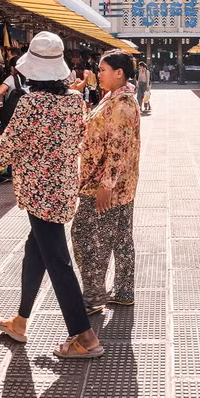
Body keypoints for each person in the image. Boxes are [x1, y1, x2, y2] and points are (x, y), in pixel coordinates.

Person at [0, 31, 103, 359]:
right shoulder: (74, 101)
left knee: (57, 261)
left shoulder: (30, 103)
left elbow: (11, 142)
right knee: (35, 251)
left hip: (39, 192)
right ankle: (20, 321)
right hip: (63, 188)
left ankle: (84, 336)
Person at [73, 50, 141, 314]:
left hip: (106, 185)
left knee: (86, 237)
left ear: (119, 73)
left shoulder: (122, 104)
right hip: (122, 185)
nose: (98, 74)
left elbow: (117, 148)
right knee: (121, 238)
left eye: (102, 70)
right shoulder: (114, 98)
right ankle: (123, 291)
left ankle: (93, 297)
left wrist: (106, 184)